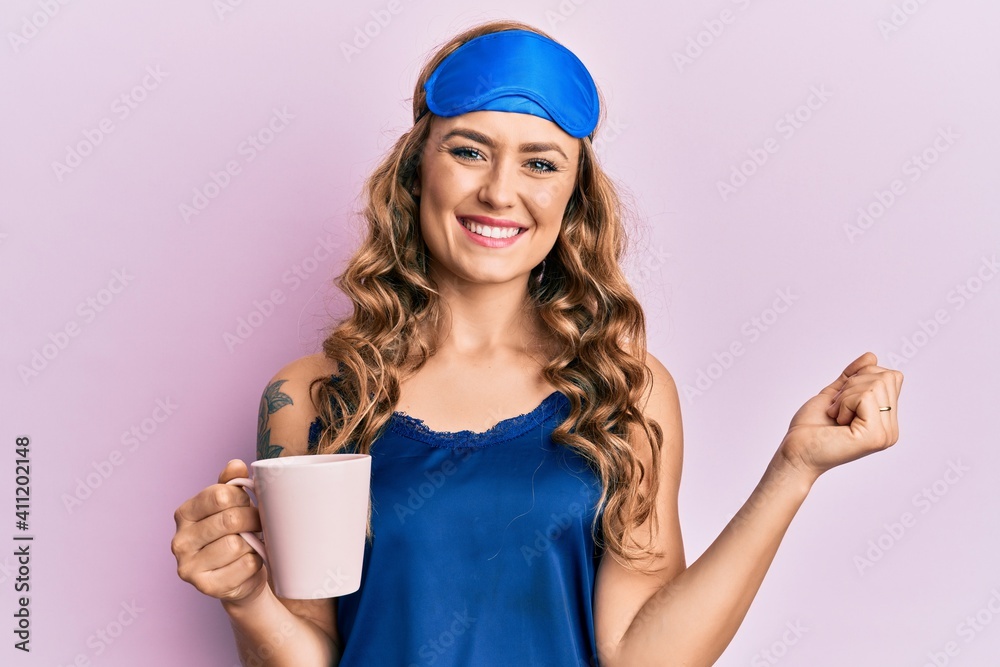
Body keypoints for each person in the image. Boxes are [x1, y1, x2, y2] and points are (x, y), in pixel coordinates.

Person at [170, 19, 904, 667]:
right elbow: (304, 656)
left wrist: (794, 469)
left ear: (572, 197)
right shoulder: (310, 396)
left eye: (541, 163)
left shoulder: (626, 393)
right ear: (417, 169)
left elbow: (646, 656)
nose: (499, 191)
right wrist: (246, 597)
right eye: (469, 151)